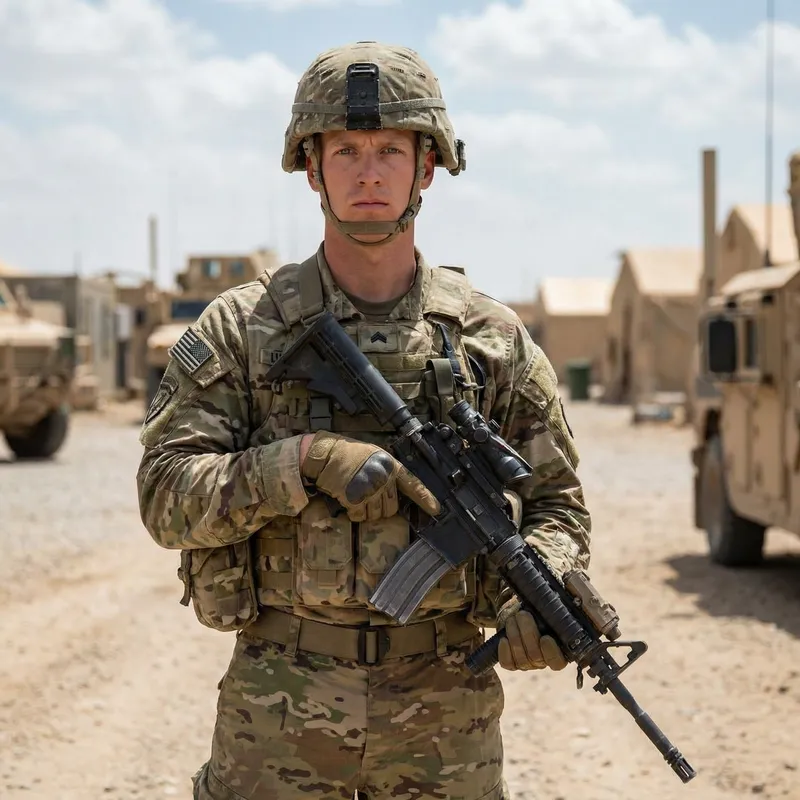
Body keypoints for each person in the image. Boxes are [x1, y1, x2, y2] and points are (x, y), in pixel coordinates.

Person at [137, 41, 591, 800]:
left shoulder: (490, 336)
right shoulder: (244, 327)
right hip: (279, 701)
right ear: (312, 169)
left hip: (446, 708)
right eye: (346, 150)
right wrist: (301, 462)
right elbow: (164, 495)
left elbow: (555, 501)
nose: (369, 172)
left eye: (390, 149)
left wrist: (540, 589)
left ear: (429, 167)